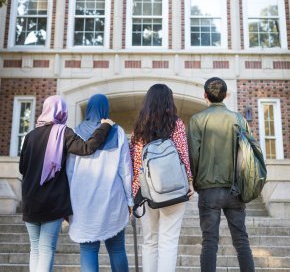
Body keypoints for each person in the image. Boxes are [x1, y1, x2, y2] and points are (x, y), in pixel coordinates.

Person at [19, 95, 114, 272]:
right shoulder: (63, 132)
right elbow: (87, 148)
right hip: (52, 201)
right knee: (47, 248)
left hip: (30, 200)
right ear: (61, 112)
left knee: (35, 248)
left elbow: (22, 168)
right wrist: (105, 126)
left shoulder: (30, 136)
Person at [187, 77, 255, 272]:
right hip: (235, 189)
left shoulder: (197, 120)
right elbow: (248, 154)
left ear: (205, 95)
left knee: (209, 243)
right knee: (242, 241)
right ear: (225, 95)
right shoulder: (239, 119)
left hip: (208, 190)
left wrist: (193, 182)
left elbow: (194, 156)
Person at [130, 83, 194, 272]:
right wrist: (189, 182)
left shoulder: (139, 126)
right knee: (169, 241)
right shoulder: (177, 123)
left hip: (144, 191)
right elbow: (183, 155)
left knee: (149, 242)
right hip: (174, 189)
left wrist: (133, 190)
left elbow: (134, 161)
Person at [66, 94, 133, 272]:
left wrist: (68, 202)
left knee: (88, 249)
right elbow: (125, 169)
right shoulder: (117, 132)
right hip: (113, 199)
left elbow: (70, 172)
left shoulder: (75, 132)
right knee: (117, 249)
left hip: (83, 201)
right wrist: (130, 200)